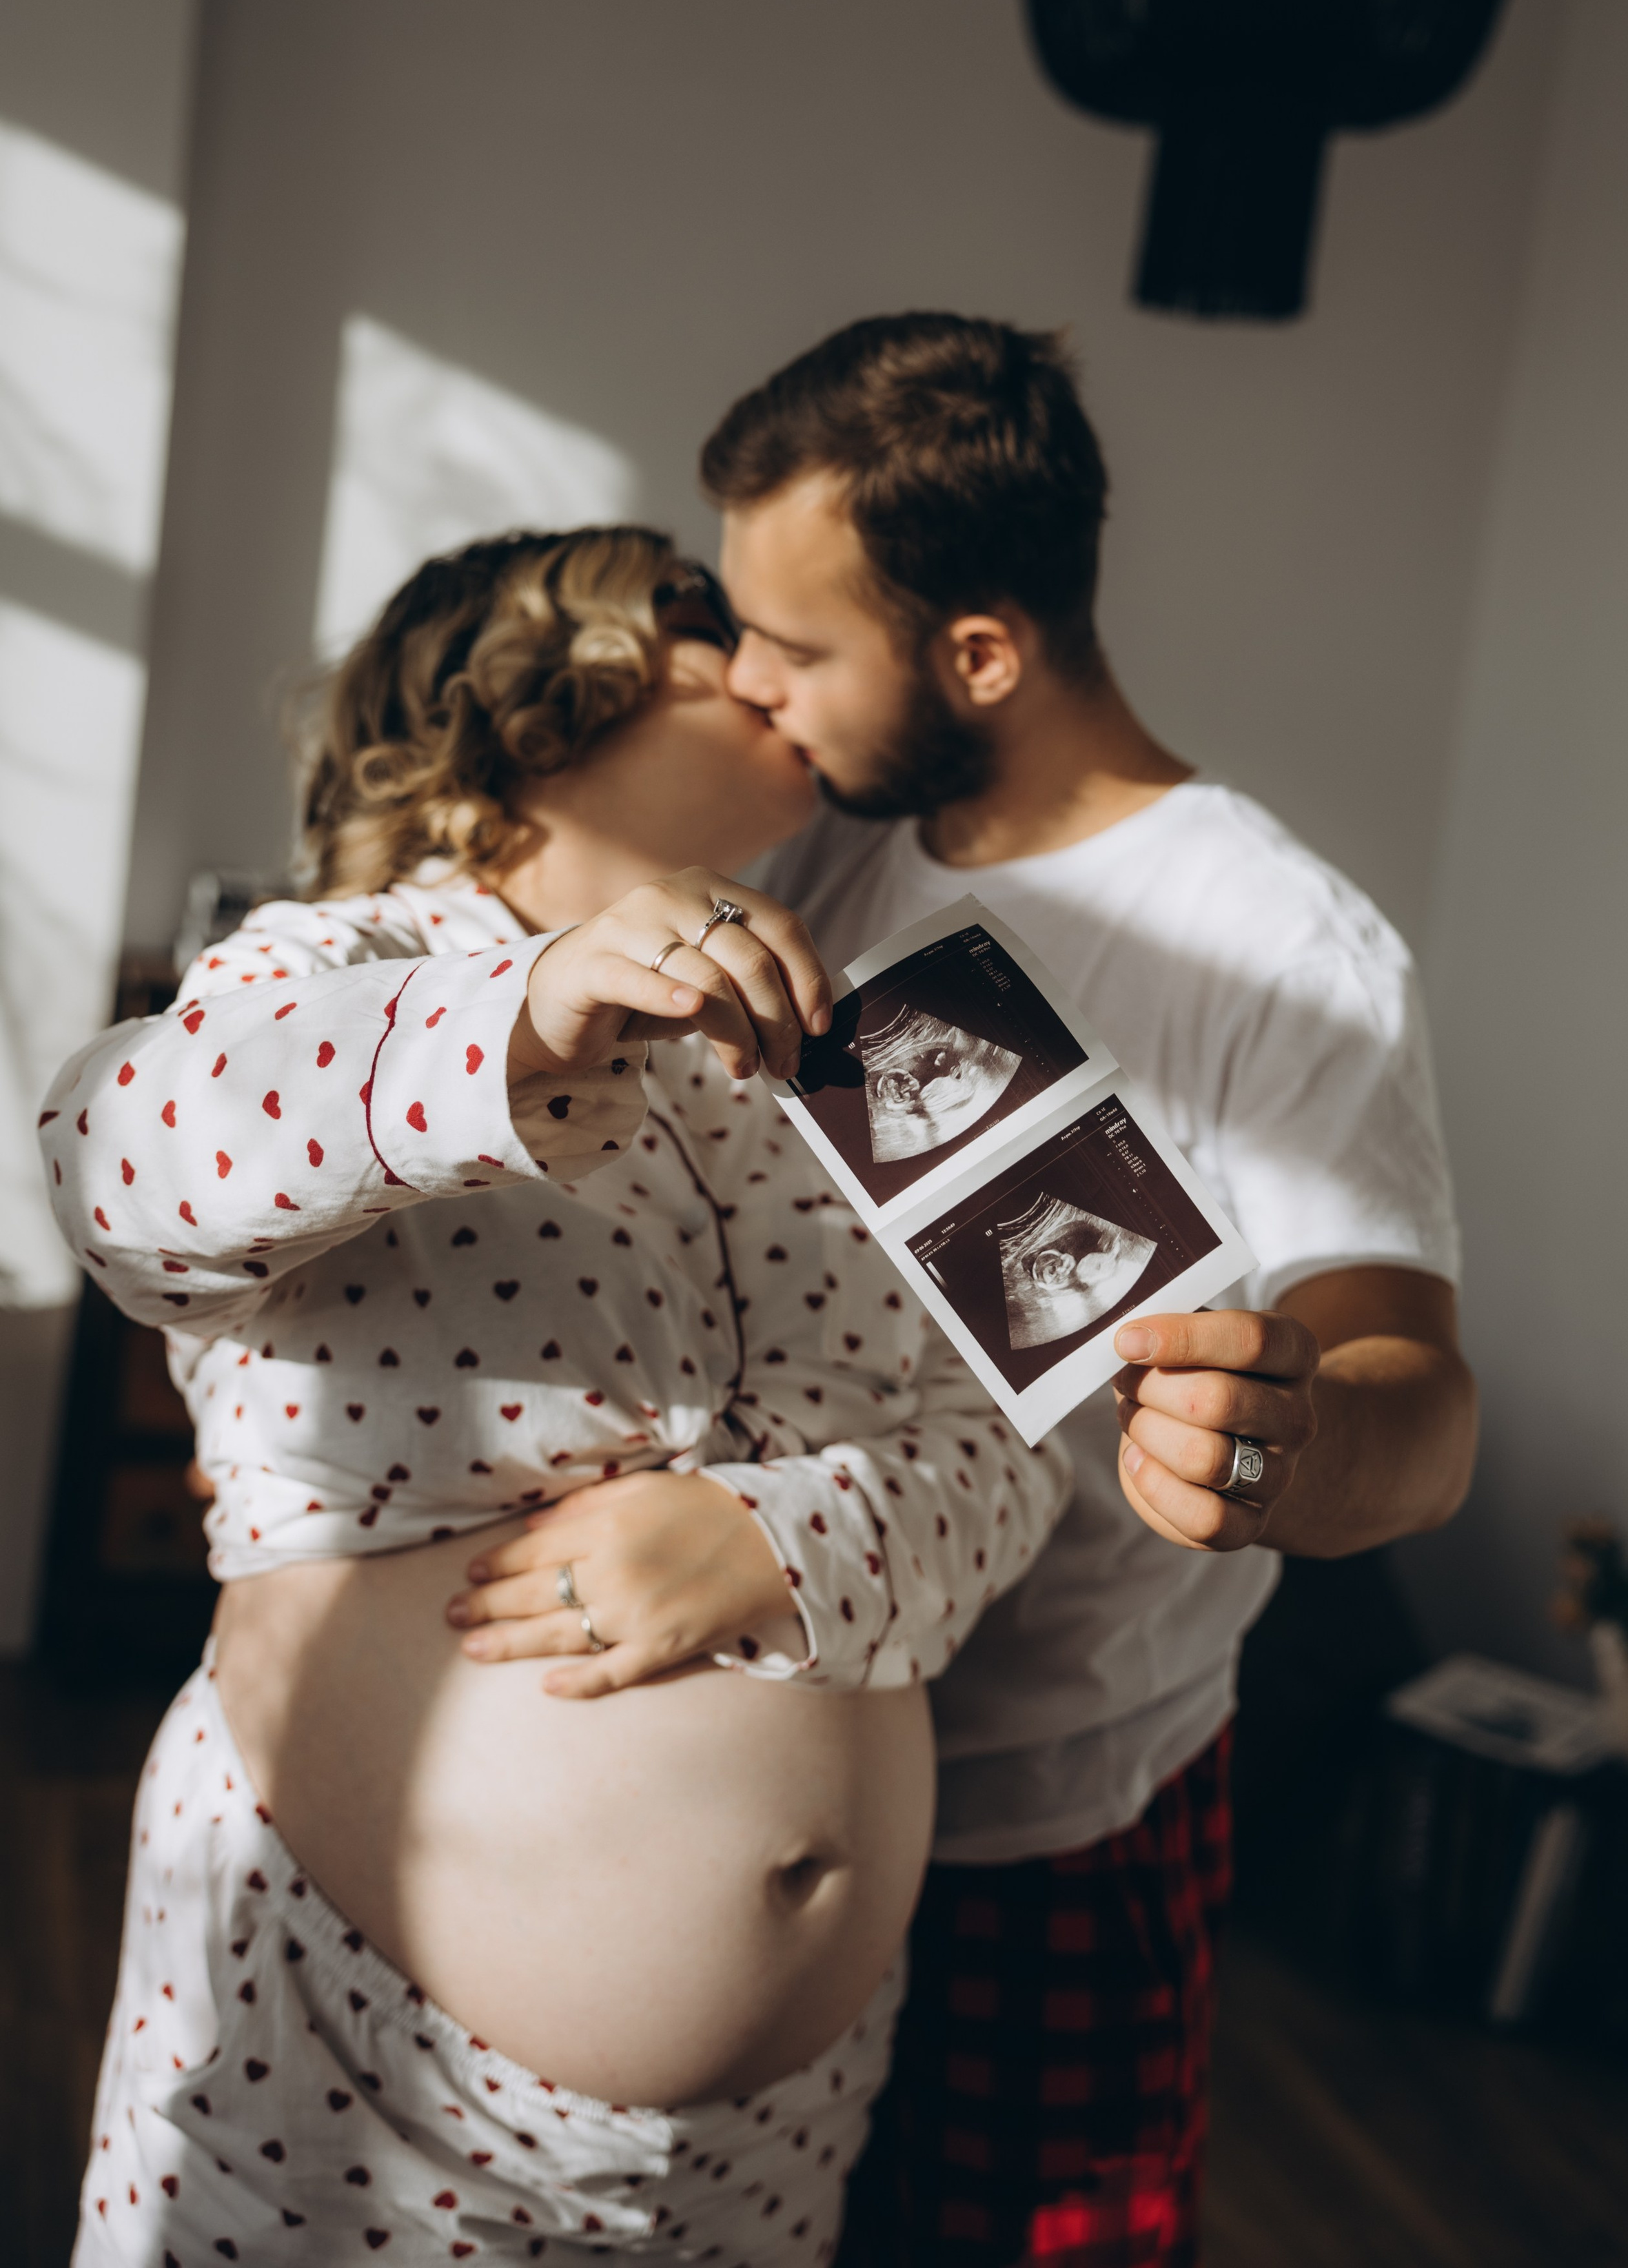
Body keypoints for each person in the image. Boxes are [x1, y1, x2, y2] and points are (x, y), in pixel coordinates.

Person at [469, 318, 1474, 2267]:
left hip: (1044, 1823)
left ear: (982, 655)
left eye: (797, 644)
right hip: (741, 1767)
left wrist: (1301, 1433)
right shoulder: (822, 846)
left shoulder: (1287, 949)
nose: (749, 683)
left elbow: (1421, 1405)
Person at [42, 525, 1070, 2267]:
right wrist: (513, 1012)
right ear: (520, 698)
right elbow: (113, 1154)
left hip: (773, 2142)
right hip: (350, 2080)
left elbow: (1023, 1458)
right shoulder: (335, 962)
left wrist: (778, 1534)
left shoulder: (883, 1044)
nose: (761, 663)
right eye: (697, 627)